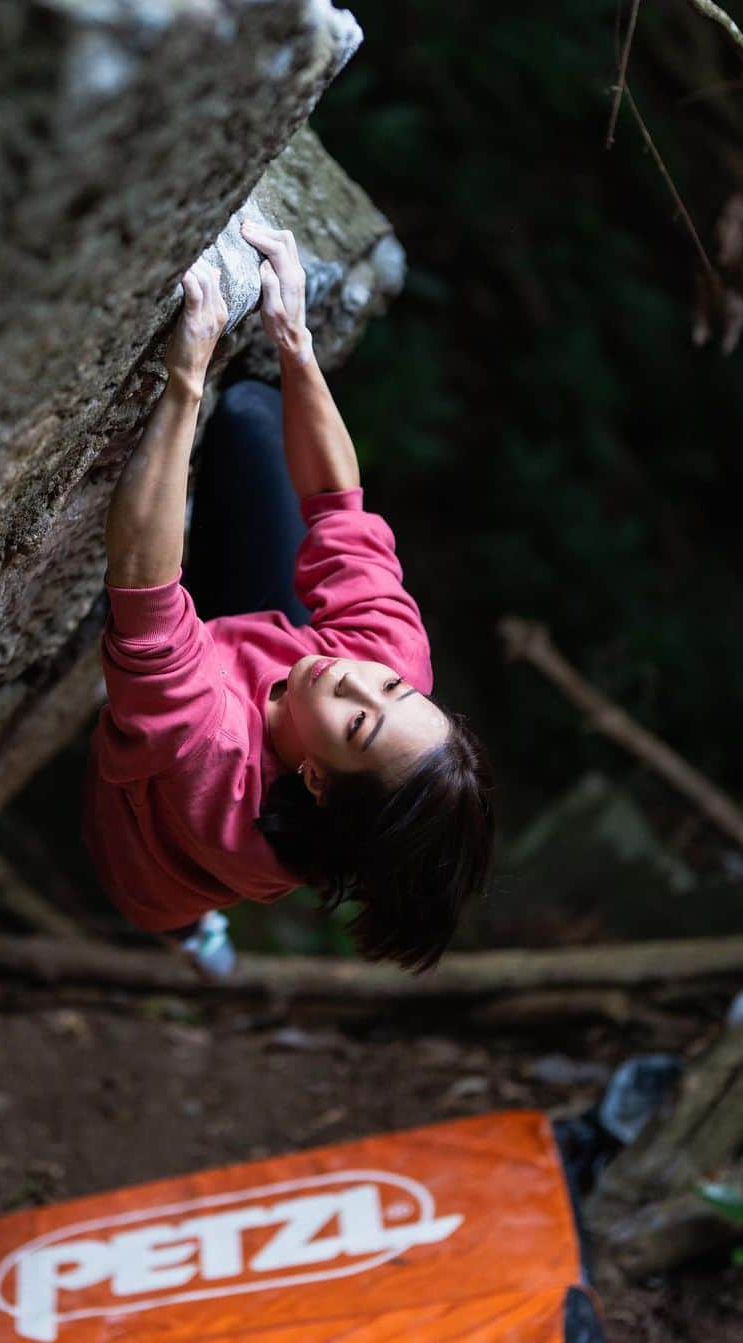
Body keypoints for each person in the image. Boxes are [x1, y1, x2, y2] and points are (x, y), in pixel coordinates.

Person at [81, 220, 494, 975]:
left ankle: (195, 934)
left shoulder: (214, 767)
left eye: (361, 722)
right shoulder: (377, 666)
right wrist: (293, 337)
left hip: (149, 845)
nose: (356, 674)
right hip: (239, 654)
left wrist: (185, 375)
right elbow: (339, 506)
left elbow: (140, 593)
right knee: (250, 418)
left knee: (167, 896)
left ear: (316, 781)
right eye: (395, 688)